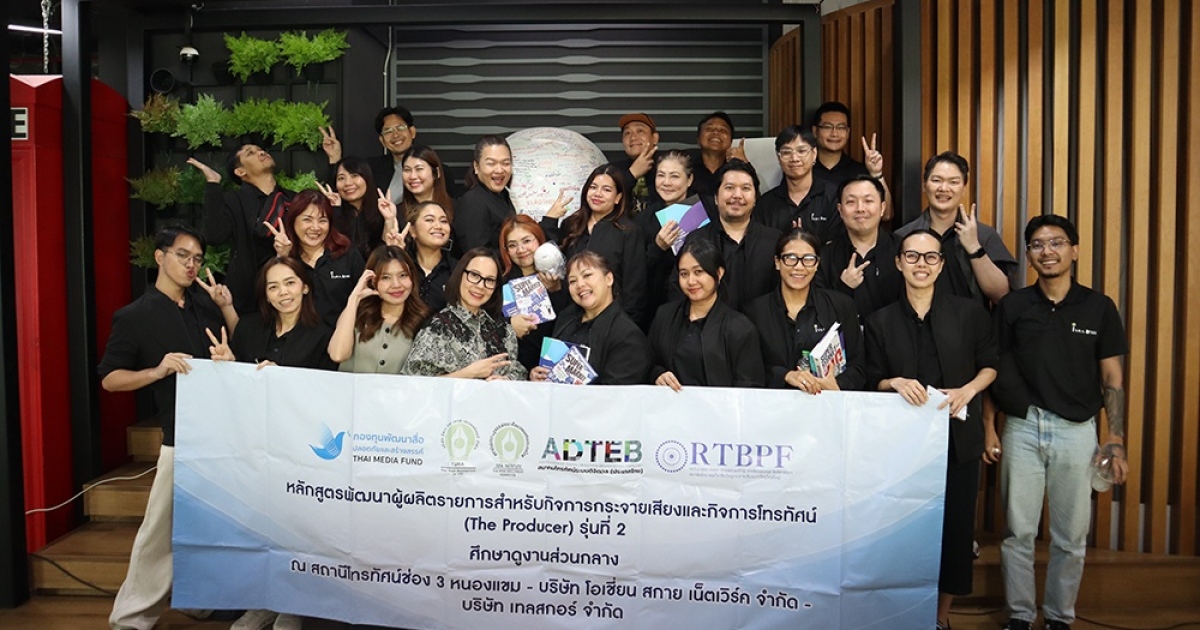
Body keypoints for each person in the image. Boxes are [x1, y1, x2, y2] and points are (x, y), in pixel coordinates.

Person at [992, 215, 1129, 630]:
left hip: (1077, 430)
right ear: (1028, 255)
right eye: (1037, 244)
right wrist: (988, 428)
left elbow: (1112, 378)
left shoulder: (1099, 307)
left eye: (1056, 243)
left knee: (1071, 536)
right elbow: (994, 371)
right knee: (1017, 532)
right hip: (1022, 427)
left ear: (1075, 250)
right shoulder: (1013, 306)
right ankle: (1019, 615)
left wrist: (1115, 438)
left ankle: (1058, 617)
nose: (1047, 251)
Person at [101, 226, 236, 630]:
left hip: (224, 431)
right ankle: (130, 617)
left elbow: (235, 351)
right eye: (183, 255)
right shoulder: (134, 316)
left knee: (211, 527)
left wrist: (228, 325)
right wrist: (156, 371)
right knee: (160, 529)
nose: (191, 264)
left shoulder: (205, 305)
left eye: (197, 258)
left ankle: (197, 601)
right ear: (160, 257)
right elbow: (110, 379)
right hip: (180, 434)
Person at [863, 229, 998, 630]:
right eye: (912, 256)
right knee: (900, 532)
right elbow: (869, 378)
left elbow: (991, 364)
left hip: (958, 441)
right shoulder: (880, 320)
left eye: (930, 257)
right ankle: (899, 615)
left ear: (941, 264)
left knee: (954, 531)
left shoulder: (969, 313)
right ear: (898, 262)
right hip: (900, 447)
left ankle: (939, 618)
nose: (921, 264)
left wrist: (969, 390)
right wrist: (893, 382)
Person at [744, 229, 864, 392]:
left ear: (817, 264)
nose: (799, 267)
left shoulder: (841, 305)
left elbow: (858, 367)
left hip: (827, 401)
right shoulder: (754, 312)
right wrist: (785, 375)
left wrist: (838, 384)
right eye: (790, 258)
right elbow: (748, 370)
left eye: (808, 259)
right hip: (774, 403)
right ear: (777, 262)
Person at [895, 151, 1016, 307]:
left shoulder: (984, 235)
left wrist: (974, 247)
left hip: (971, 321)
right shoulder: (904, 236)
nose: (944, 188)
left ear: (964, 188)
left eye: (953, 182)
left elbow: (1002, 295)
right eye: (936, 180)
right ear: (924, 185)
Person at [189, 145, 294, 315]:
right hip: (249, 297)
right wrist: (213, 184)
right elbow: (215, 236)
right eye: (250, 153)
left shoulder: (292, 199)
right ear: (240, 172)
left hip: (290, 291)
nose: (261, 152)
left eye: (261, 149)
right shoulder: (234, 201)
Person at [648, 238, 764, 389]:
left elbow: (749, 387)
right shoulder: (665, 315)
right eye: (684, 274)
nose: (691, 281)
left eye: (698, 272)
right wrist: (657, 374)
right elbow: (647, 362)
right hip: (669, 403)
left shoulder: (740, 329)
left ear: (719, 273)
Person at [542, 164, 647, 324]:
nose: (598, 193)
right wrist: (550, 221)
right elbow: (554, 261)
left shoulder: (629, 231)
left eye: (606, 189)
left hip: (611, 320)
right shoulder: (571, 224)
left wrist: (626, 323)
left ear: (618, 198)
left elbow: (635, 286)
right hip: (571, 317)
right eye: (593, 187)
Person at [401, 248, 527, 380]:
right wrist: (469, 373)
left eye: (489, 280)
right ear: (460, 275)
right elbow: (413, 383)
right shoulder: (437, 328)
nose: (480, 286)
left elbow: (518, 372)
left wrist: (506, 380)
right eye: (474, 275)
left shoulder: (503, 329)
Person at [531, 251, 652, 385]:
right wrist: (539, 376)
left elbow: (614, 394)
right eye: (572, 281)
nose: (580, 284)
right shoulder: (565, 318)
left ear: (609, 279)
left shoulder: (628, 337)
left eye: (587, 275)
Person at [679, 159, 781, 311]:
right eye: (729, 187)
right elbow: (681, 292)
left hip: (763, 324)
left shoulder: (774, 240)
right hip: (711, 324)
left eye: (745, 188)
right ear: (716, 197)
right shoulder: (696, 240)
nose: (737, 195)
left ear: (755, 198)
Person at [319, 106, 461, 204]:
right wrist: (335, 158)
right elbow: (339, 194)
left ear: (412, 132)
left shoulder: (439, 170)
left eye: (400, 128)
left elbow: (450, 208)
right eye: (388, 131)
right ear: (382, 140)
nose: (395, 135)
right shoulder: (371, 168)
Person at [267, 189, 365, 329]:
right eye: (307, 220)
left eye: (322, 220)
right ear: (293, 221)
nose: (315, 227)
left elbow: (366, 299)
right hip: (301, 338)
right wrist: (283, 257)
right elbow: (274, 303)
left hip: (344, 336)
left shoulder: (347, 254)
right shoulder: (288, 258)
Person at [328, 245, 431, 374]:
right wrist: (354, 297)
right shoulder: (356, 312)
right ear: (373, 281)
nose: (396, 285)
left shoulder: (425, 320)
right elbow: (338, 355)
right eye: (386, 277)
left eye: (403, 275)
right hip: (353, 387)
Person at [815, 175, 904, 319]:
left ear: (882, 208)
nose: (860, 209)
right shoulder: (824, 257)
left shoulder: (903, 251)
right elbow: (818, 312)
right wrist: (843, 287)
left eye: (868, 201)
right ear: (840, 210)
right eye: (851, 202)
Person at [499, 215, 568, 371]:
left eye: (526, 241)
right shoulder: (501, 284)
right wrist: (509, 325)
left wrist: (555, 291)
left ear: (539, 240)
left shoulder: (559, 277)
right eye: (512, 245)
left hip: (551, 368)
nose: (521, 250)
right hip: (513, 369)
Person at [754, 125, 842, 243]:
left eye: (801, 151)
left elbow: (836, 245)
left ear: (814, 153)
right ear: (778, 157)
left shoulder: (833, 197)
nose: (794, 158)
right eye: (786, 152)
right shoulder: (765, 205)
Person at [640, 150, 696, 327]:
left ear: (689, 180)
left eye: (674, 176)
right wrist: (657, 248)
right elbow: (636, 273)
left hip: (696, 303)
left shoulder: (702, 212)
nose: (666, 182)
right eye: (661, 175)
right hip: (655, 310)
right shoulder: (643, 220)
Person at [454, 135, 516, 252]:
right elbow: (477, 254)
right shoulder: (473, 202)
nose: (499, 170)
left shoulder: (503, 195)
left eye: (506, 163)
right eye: (491, 163)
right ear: (476, 167)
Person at [329, 156, 387, 259]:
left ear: (367, 178)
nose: (348, 183)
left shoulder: (382, 211)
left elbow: (388, 253)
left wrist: (389, 219)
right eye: (341, 178)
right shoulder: (332, 213)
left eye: (354, 175)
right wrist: (335, 211)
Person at [406, 201, 457, 312]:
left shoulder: (457, 270)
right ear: (412, 230)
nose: (438, 226)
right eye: (429, 220)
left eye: (443, 221)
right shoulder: (402, 265)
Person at [687, 111, 747, 196]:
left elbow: (755, 200)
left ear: (730, 142)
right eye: (709, 129)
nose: (715, 133)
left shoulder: (736, 168)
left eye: (723, 130)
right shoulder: (684, 165)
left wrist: (744, 164)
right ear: (698, 140)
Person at [398, 145, 456, 235]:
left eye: (419, 169)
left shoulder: (456, 208)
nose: (413, 176)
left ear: (436, 173)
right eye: (407, 170)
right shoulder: (397, 213)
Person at [612, 112, 661, 214]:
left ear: (655, 138)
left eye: (640, 131)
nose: (633, 137)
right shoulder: (612, 171)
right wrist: (631, 174)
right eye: (627, 133)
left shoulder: (670, 167)